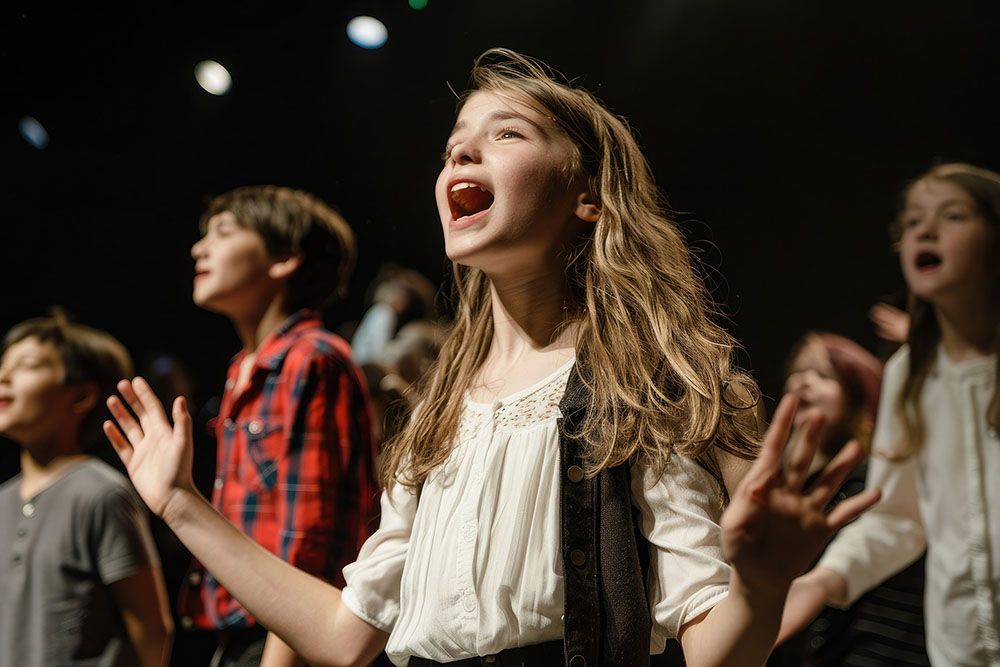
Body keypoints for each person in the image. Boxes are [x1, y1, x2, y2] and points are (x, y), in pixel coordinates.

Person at [104, 49, 877, 666]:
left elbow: (714, 649)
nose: (464, 150)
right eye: (454, 146)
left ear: (588, 196)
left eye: (507, 133)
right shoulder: (441, 412)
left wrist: (764, 582)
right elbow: (346, 635)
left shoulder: (632, 391)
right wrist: (180, 504)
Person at [780, 163, 1000, 665]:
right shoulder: (910, 374)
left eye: (953, 215)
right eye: (913, 221)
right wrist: (822, 580)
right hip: (959, 651)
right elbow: (898, 517)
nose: (925, 230)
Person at [176, 185, 380, 666]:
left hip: (287, 637)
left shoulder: (312, 359)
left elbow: (312, 539)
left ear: (285, 257)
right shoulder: (242, 369)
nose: (199, 247)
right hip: (242, 631)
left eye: (223, 232)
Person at [0, 313, 173, 667]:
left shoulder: (100, 493)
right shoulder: (3, 500)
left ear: (81, 397)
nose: (3, 377)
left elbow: (151, 631)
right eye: (3, 365)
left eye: (28, 365)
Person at [769, 332, 927, 666]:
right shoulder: (783, 487)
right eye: (796, 372)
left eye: (823, 375)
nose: (802, 382)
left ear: (857, 398)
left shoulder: (873, 480)